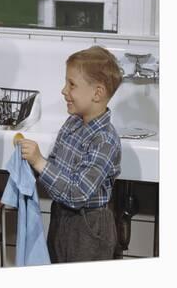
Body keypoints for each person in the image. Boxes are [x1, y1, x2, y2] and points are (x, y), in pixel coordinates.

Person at [18, 45, 123, 263]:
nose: (64, 90)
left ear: (98, 93)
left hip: (90, 227)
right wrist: (30, 165)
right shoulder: (72, 124)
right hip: (61, 217)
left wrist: (39, 161)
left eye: (72, 84)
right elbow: (55, 168)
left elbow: (77, 194)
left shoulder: (105, 140)